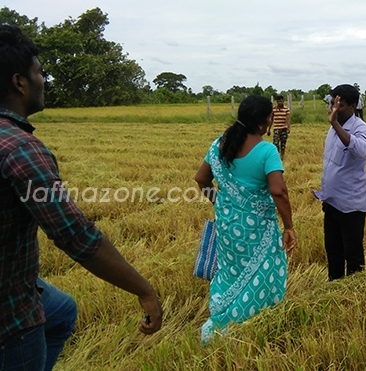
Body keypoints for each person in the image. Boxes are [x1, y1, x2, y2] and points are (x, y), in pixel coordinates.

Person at [0, 25, 163, 371]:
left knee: (61, 311)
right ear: (19, 82)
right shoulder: (21, 150)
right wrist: (144, 290)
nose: (44, 79)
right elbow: (75, 235)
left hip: (15, 279)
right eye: (39, 72)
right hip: (10, 319)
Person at [194, 95, 297, 344]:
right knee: (263, 270)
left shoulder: (219, 144)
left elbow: (201, 179)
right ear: (264, 123)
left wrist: (220, 202)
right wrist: (289, 226)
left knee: (230, 271)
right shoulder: (266, 150)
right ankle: (243, 321)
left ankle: (222, 310)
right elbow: (278, 191)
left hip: (228, 226)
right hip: (257, 230)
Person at [312, 84, 366, 281]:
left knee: (353, 255)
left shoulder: (361, 127)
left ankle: (354, 295)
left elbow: (361, 150)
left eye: (341, 105)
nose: (334, 109)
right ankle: (334, 290)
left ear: (353, 106)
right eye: (333, 104)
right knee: (333, 252)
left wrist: (335, 124)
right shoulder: (333, 128)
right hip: (332, 202)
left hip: (351, 205)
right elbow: (331, 166)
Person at [266, 95, 291, 160]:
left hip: (284, 128)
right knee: (275, 144)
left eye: (281, 101)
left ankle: (282, 158)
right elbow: (271, 119)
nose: (280, 102)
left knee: (283, 145)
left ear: (283, 101)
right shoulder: (274, 109)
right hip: (276, 129)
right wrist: (269, 129)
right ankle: (276, 158)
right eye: (279, 101)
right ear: (276, 102)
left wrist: (288, 128)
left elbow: (288, 119)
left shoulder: (286, 109)